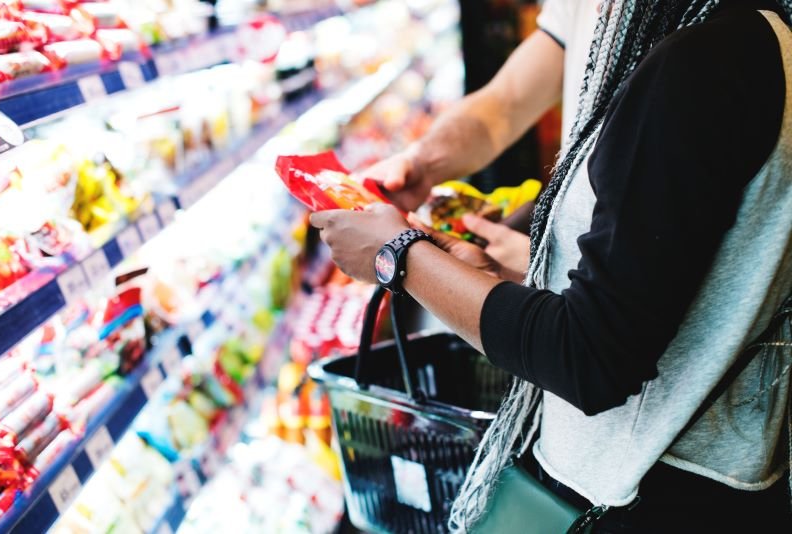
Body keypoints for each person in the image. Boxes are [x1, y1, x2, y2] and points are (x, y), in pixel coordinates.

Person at [311, 0, 792, 531]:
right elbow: (661, 291)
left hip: (637, 492)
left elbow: (590, 359)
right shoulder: (761, 37)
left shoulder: (699, 67)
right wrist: (505, 278)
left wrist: (399, 257)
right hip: (718, 480)